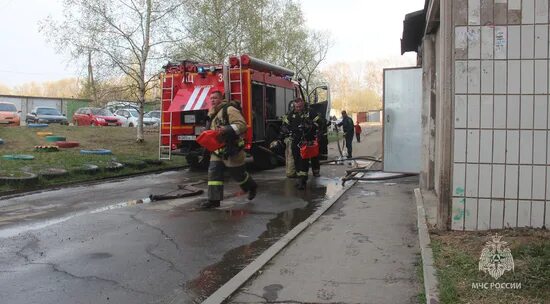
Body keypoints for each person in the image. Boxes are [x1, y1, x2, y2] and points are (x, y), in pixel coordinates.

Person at [201, 90, 257, 208]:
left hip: (231, 149)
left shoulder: (230, 110)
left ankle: (251, 186)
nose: (212, 100)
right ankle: (214, 200)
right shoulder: (212, 113)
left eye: (215, 98)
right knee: (213, 174)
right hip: (217, 150)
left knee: (238, 174)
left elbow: (242, 125)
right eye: (211, 98)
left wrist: (226, 129)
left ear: (221, 99)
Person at [282, 98, 321, 189]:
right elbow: (285, 124)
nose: (298, 108)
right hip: (295, 140)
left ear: (303, 105)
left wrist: (310, 126)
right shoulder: (291, 114)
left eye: (300, 106)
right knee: (296, 159)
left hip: (307, 140)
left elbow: (320, 123)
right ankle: (300, 178)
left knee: (304, 160)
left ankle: (303, 180)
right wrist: (285, 129)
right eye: (296, 107)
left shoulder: (310, 112)